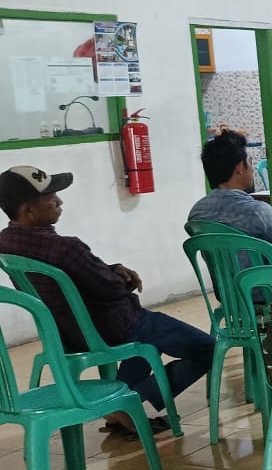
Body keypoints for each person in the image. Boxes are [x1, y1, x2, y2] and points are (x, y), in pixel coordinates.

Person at [0, 166, 215, 437]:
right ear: (28, 211)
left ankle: (120, 409)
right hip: (112, 326)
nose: (60, 201)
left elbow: (84, 276)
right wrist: (123, 277)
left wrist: (111, 268)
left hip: (65, 334)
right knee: (207, 348)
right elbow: (110, 288)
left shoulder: (6, 244)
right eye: (52, 198)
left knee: (147, 345)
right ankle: (126, 403)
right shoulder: (66, 248)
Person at [187, 130, 272, 246]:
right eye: (250, 162)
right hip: (260, 265)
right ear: (239, 167)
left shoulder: (197, 212)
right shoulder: (258, 212)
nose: (252, 169)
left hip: (217, 265)